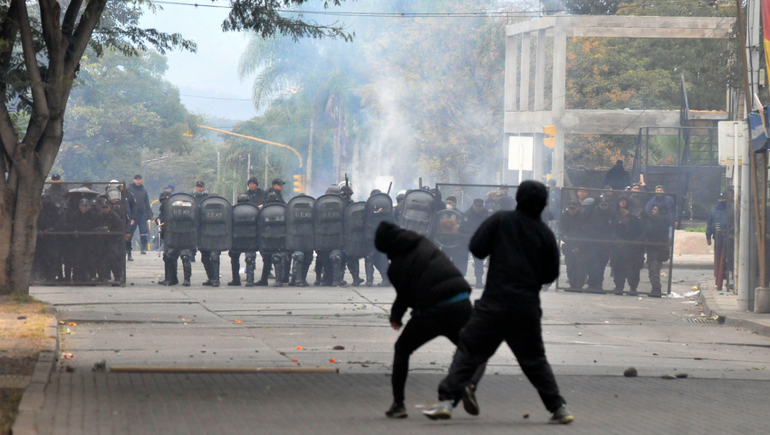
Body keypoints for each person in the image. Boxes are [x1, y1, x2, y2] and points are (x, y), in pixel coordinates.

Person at [422, 181, 573, 424]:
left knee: (469, 350)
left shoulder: (501, 220)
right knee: (534, 359)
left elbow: (477, 248)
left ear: (518, 199)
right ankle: (559, 408)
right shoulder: (544, 233)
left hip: (494, 304)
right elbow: (550, 273)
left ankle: (446, 402)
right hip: (526, 306)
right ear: (543, 203)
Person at [375, 221, 485, 419]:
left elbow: (404, 296)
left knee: (402, 349)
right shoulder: (424, 242)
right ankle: (469, 384)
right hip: (460, 303)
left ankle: (398, 404)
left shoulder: (395, 268)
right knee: (475, 350)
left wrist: (396, 317)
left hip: (431, 312)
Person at [611, 208, 645, 295]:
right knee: (618, 270)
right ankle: (619, 287)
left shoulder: (636, 225)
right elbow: (613, 236)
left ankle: (633, 288)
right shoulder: (616, 226)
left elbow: (641, 236)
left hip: (633, 252)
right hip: (619, 252)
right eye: (622, 218)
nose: (624, 220)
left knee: (633, 271)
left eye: (626, 218)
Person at [586, 196, 613, 291]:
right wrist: (594, 202)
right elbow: (585, 214)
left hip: (605, 245)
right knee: (591, 265)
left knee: (601, 267)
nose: (604, 206)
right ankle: (591, 285)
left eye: (606, 205)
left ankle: (598, 285)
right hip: (593, 243)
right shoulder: (594, 214)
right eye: (602, 204)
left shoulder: (611, 215)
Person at [462, 199, 489, 289]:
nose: (478, 208)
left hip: (479, 240)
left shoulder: (486, 213)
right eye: (477, 206)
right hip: (466, 240)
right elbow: (463, 227)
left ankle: (479, 280)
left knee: (479, 261)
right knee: (463, 261)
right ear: (473, 205)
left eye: (480, 206)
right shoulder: (467, 214)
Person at [706, 193, 731, 290]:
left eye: (723, 198)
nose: (721, 200)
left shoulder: (730, 210)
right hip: (718, 237)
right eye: (720, 198)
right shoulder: (713, 211)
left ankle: (726, 275)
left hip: (729, 236)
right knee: (718, 257)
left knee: (728, 257)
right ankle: (720, 277)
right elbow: (709, 224)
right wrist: (708, 236)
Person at [560, 201, 587, 289]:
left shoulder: (582, 218)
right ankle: (572, 285)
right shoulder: (564, 216)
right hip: (568, 245)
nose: (571, 211)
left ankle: (579, 285)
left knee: (580, 267)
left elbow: (585, 233)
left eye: (573, 209)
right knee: (570, 266)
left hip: (580, 245)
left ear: (577, 208)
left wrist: (580, 247)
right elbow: (562, 229)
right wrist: (563, 235)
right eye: (570, 208)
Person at [645, 204, 670, 297]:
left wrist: (647, 215)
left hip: (659, 249)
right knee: (651, 269)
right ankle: (654, 288)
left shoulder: (664, 219)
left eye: (655, 209)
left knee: (655, 269)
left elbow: (659, 220)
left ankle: (656, 288)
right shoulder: (652, 221)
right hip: (651, 248)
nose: (653, 211)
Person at [126, 174, 153, 256]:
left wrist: (150, 214)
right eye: (136, 179)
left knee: (144, 232)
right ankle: (128, 249)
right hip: (132, 215)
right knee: (129, 232)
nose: (138, 181)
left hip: (142, 214)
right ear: (134, 180)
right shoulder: (129, 189)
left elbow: (147, 204)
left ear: (142, 180)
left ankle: (143, 248)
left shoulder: (144, 191)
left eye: (139, 179)